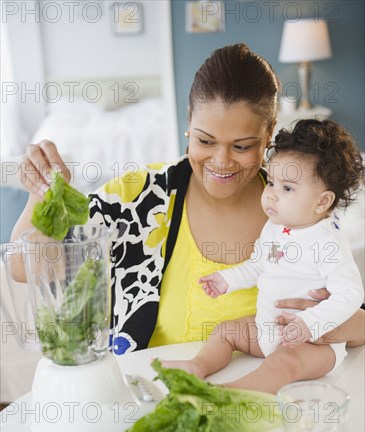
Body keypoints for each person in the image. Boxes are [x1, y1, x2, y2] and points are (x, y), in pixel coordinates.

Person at [11, 43, 365, 374]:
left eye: (241, 146)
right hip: (155, 394)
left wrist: (335, 323)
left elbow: (356, 316)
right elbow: (26, 267)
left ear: (270, 132)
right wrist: (42, 194)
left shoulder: (300, 208)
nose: (221, 162)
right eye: (205, 140)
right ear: (188, 121)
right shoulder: (136, 197)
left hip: (272, 400)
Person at [162, 119, 364, 393]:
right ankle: (197, 367)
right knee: (226, 331)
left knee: (283, 362)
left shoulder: (327, 243)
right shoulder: (275, 229)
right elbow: (259, 264)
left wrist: (310, 324)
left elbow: (350, 294)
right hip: (267, 328)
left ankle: (232, 394)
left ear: (322, 202)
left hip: (314, 342)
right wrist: (227, 280)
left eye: (287, 188)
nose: (271, 195)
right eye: (271, 182)